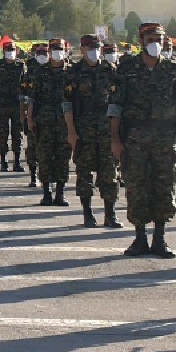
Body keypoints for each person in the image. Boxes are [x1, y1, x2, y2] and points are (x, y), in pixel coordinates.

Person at [108, 23, 176, 259]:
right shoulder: (127, 69)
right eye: (150, 39)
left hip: (165, 138)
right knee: (136, 187)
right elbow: (115, 107)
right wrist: (115, 139)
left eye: (159, 39)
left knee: (164, 187)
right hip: (134, 139)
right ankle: (139, 238)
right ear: (141, 41)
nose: (155, 43)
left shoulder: (173, 69)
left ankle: (159, 238)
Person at [65, 35, 120, 228]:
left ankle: (110, 214)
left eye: (97, 47)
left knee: (110, 172)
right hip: (84, 131)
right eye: (90, 48)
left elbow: (117, 102)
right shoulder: (74, 72)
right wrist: (71, 132)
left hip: (107, 130)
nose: (94, 51)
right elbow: (67, 104)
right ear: (82, 50)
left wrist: (117, 133)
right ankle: (87, 214)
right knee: (84, 173)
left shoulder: (110, 70)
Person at [23, 39, 73, 207]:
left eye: (60, 49)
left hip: (65, 122)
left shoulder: (71, 72)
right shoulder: (40, 72)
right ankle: (46, 193)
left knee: (63, 158)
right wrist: (30, 119)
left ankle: (60, 193)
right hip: (44, 122)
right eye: (55, 49)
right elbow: (32, 98)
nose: (58, 52)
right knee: (44, 156)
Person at [0, 40, 27, 172]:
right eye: (7, 50)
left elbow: (25, 87)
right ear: (3, 51)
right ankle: (3, 161)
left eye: (12, 50)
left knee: (17, 134)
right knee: (3, 133)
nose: (10, 52)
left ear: (16, 51)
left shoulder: (21, 66)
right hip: (2, 104)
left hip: (17, 105)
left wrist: (25, 107)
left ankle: (16, 162)